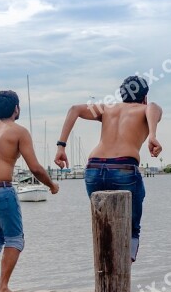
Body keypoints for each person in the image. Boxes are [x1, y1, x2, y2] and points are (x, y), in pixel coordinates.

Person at [54, 76, 162, 262]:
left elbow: (74, 109)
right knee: (132, 228)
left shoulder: (107, 108)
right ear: (144, 97)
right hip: (123, 168)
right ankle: (123, 263)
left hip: (94, 169)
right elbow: (153, 108)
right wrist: (152, 134)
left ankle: (106, 265)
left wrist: (61, 146)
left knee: (103, 224)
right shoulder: (146, 108)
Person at [0, 90, 59, 292]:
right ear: (16, 108)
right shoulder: (19, 132)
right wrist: (51, 185)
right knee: (15, 238)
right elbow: (34, 167)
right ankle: (3, 289)